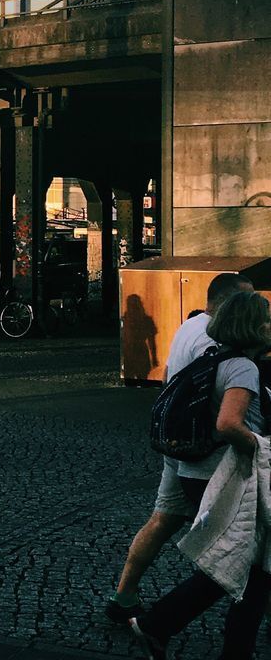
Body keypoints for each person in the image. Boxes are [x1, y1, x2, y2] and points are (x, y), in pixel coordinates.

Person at [130, 289, 271, 660]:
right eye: (267, 318)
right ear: (253, 325)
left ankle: (164, 626)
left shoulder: (214, 357)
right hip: (223, 474)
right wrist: (258, 446)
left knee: (245, 566)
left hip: (194, 470)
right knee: (246, 568)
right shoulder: (243, 367)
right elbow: (228, 423)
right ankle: (159, 624)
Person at [107, 272, 254, 624]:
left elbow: (171, 376)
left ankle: (124, 595)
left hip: (177, 446)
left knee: (162, 520)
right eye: (244, 300)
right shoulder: (217, 341)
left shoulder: (189, 327)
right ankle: (175, 618)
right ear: (229, 302)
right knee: (241, 543)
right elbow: (222, 408)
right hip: (207, 455)